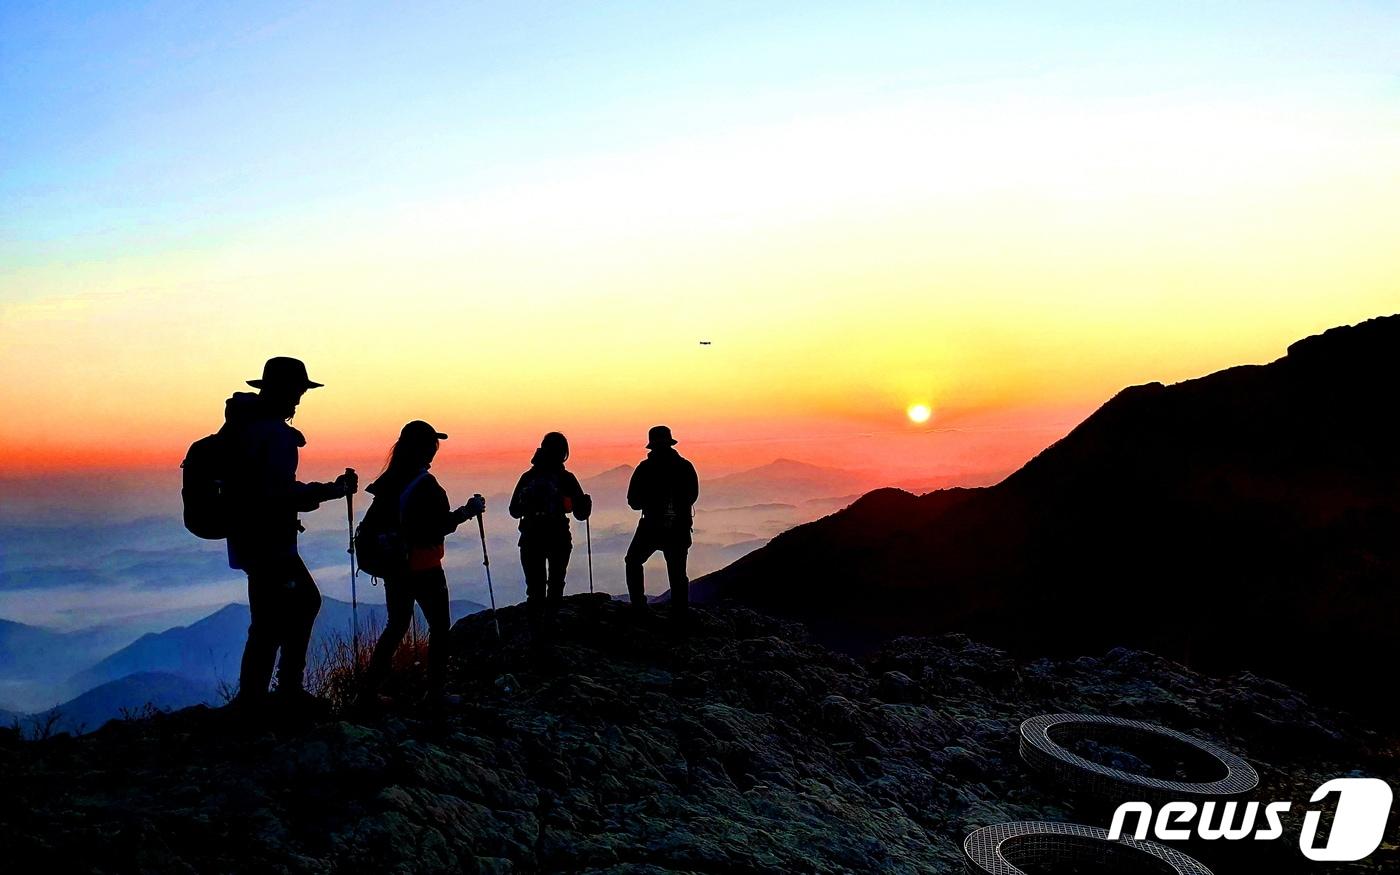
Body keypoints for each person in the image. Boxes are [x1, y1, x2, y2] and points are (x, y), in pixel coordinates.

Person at [223, 357, 358, 709]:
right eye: (297, 390)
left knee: (268, 618)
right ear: (284, 390)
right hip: (271, 542)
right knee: (300, 605)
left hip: (249, 539)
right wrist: (331, 490)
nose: (299, 399)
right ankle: (284, 694)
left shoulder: (245, 429)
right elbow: (278, 492)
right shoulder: (274, 434)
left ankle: (255, 698)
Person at [363, 420, 485, 701]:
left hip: (395, 568)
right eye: (432, 445)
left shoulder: (389, 480)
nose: (435, 450)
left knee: (396, 626)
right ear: (425, 450)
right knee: (440, 628)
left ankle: (368, 691)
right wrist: (468, 511)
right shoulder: (426, 485)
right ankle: (436, 692)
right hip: (425, 567)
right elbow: (438, 526)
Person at [508, 432, 591, 636]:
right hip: (559, 537)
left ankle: (536, 633)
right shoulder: (566, 478)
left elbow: (513, 510)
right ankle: (551, 629)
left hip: (530, 538)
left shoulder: (528, 477)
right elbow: (581, 514)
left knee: (535, 589)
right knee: (556, 584)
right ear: (564, 453)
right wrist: (584, 504)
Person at [624, 425, 699, 621]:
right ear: (670, 443)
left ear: (652, 447)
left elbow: (633, 501)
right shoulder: (685, 466)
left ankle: (639, 607)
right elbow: (692, 495)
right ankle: (680, 614)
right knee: (677, 572)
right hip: (679, 527)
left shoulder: (644, 469)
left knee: (633, 561)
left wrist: (651, 501)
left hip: (650, 525)